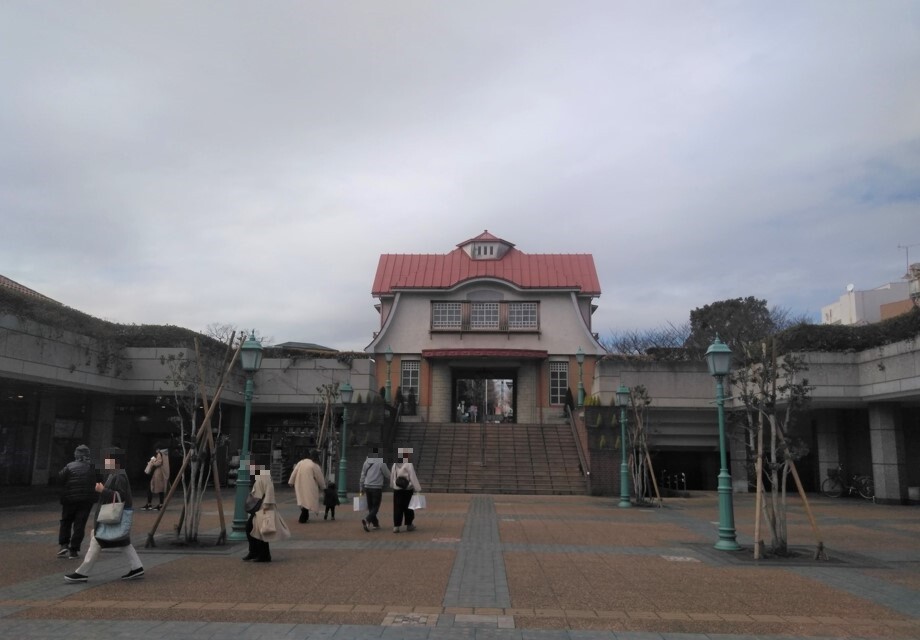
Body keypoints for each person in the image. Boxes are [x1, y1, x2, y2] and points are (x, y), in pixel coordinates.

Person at [65, 448, 144, 582]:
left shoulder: (118, 475)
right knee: (122, 541)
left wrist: (102, 490)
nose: (105, 462)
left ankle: (82, 572)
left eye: (108, 459)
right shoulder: (116, 473)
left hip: (113, 515)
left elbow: (120, 496)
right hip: (115, 515)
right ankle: (137, 567)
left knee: (97, 539)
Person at [57, 444, 96, 559]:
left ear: (76, 455)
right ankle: (74, 549)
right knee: (80, 524)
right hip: (86, 500)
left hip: (69, 499)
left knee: (66, 521)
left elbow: (60, 479)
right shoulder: (93, 467)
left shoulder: (69, 466)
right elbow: (99, 481)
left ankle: (64, 544)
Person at [245, 465, 289, 562]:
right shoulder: (260, 476)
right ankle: (257, 553)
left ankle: (261, 554)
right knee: (256, 530)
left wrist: (266, 505)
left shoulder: (263, 476)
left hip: (262, 507)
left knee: (258, 531)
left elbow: (269, 490)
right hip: (259, 507)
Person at [288, 451, 326, 523]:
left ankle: (305, 515)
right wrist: (323, 486)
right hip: (310, 485)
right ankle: (303, 517)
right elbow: (319, 477)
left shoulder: (301, 463)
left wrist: (291, 482)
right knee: (309, 500)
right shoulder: (314, 465)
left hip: (299, 484)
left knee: (302, 500)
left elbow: (294, 472)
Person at [390, 447, 422, 533]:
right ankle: (409, 524)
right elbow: (412, 476)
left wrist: (392, 485)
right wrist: (417, 488)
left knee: (397, 507)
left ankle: (396, 526)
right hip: (407, 489)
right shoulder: (408, 464)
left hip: (397, 489)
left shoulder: (395, 464)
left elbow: (392, 476)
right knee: (408, 507)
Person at [359, 448, 389, 532]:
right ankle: (367, 519)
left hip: (367, 487)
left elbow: (362, 475)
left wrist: (361, 487)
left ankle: (375, 524)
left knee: (370, 506)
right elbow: (387, 474)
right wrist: (394, 479)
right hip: (376, 488)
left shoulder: (366, 462)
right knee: (375, 507)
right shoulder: (381, 462)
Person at [142, 444, 170, 510]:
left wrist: (152, 462)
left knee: (152, 488)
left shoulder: (160, 454)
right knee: (160, 490)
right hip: (162, 474)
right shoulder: (165, 454)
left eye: (156, 449)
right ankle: (159, 504)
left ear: (158, 449)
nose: (156, 451)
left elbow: (159, 463)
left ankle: (152, 504)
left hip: (158, 474)